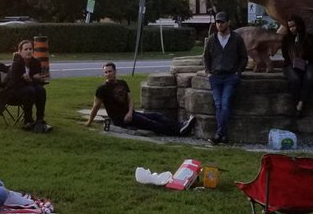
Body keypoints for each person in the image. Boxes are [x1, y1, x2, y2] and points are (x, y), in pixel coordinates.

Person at [86, 62, 196, 136]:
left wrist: (130, 112)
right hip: (122, 119)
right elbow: (96, 106)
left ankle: (181, 126)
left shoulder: (122, 83)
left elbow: (130, 99)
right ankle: (179, 132)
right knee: (152, 124)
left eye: (110, 71)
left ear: (115, 71)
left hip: (131, 114)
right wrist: (89, 122)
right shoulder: (102, 89)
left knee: (157, 116)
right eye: (106, 72)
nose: (108, 74)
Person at [202, 11, 248, 145]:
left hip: (230, 77)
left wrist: (238, 72)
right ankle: (224, 135)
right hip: (215, 77)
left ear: (228, 23)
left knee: (225, 103)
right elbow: (206, 57)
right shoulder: (211, 39)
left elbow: (243, 57)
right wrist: (208, 72)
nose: (219, 24)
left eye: (222, 22)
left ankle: (218, 134)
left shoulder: (236, 39)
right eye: (217, 22)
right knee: (218, 104)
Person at [281, 16, 313, 118]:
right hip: (290, 64)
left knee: (309, 77)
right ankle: (296, 102)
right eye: (289, 27)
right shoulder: (286, 38)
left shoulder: (309, 37)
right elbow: (285, 54)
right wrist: (294, 62)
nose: (292, 29)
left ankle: (300, 104)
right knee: (295, 79)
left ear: (299, 25)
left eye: (293, 26)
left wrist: (306, 61)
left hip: (307, 63)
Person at [8, 39, 50, 132]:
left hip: (31, 90)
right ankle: (28, 120)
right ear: (20, 51)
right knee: (30, 90)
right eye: (26, 49)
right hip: (13, 93)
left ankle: (40, 119)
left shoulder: (36, 62)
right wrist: (31, 79)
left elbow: (39, 82)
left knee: (41, 89)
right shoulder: (16, 64)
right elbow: (15, 83)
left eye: (30, 49)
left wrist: (32, 79)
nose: (29, 51)